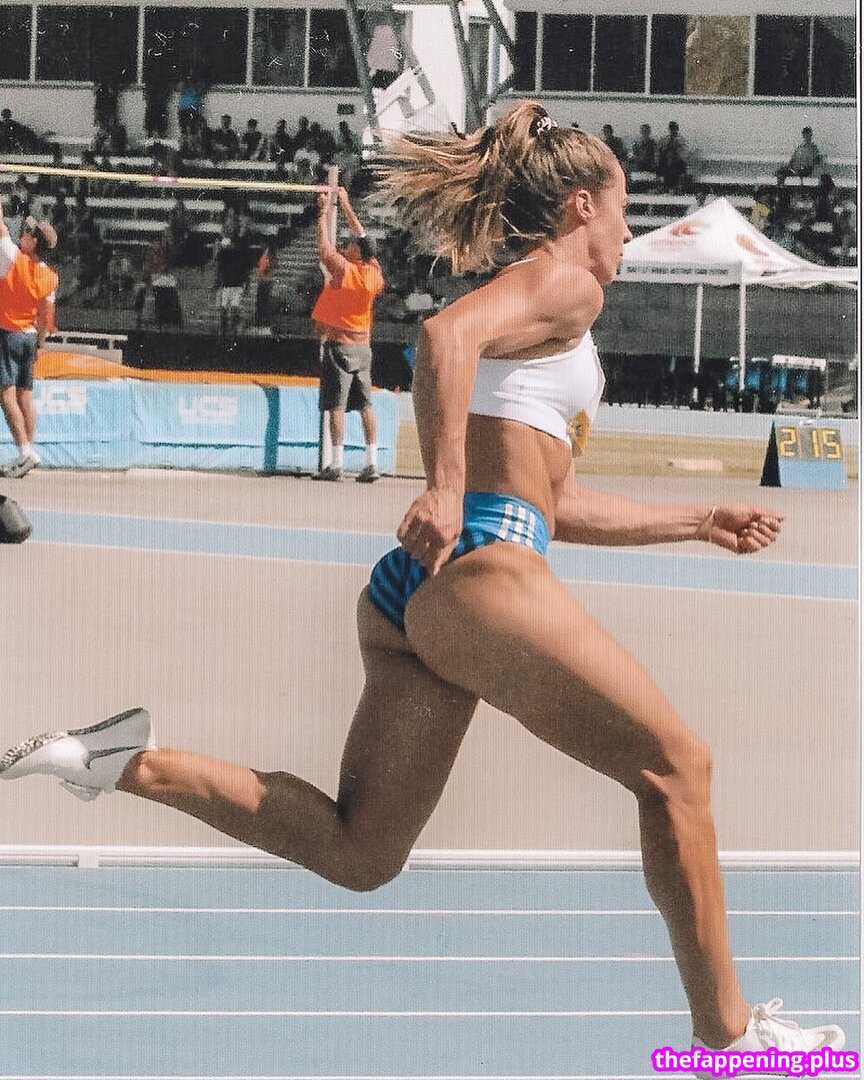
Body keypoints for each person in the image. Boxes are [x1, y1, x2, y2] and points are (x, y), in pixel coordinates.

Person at [0, 102, 845, 1073]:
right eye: (622, 210)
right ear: (581, 206)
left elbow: (555, 502)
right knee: (679, 769)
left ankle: (115, 760)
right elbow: (444, 338)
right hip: (483, 567)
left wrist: (695, 521)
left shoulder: (548, 314)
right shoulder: (569, 284)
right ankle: (729, 1039)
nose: (627, 232)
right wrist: (442, 487)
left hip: (417, 590)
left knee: (360, 850)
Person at [311, 186, 384, 483]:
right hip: (363, 347)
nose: (348, 245)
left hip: (340, 346)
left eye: (352, 245)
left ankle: (336, 464)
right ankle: (372, 462)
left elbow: (323, 247)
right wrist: (346, 204)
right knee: (366, 405)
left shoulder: (345, 270)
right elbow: (364, 237)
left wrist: (322, 212)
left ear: (357, 253)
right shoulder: (374, 274)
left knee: (336, 406)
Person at [0, 204, 58, 478]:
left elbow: (0, 228)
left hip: (8, 332)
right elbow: (45, 315)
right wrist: (40, 345)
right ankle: (28, 452)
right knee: (25, 394)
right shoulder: (50, 276)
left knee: (6, 395)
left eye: (26, 232)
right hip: (29, 337)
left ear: (34, 242)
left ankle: (25, 451)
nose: (22, 233)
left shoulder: (14, 258)